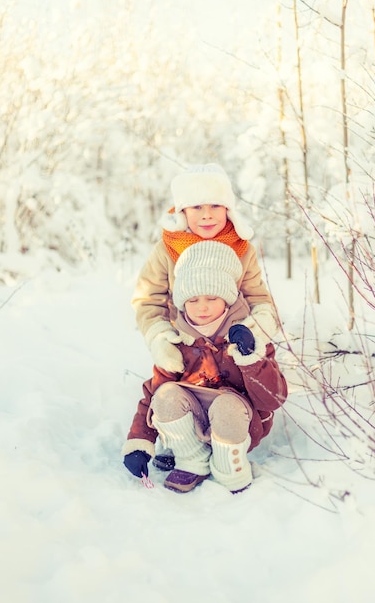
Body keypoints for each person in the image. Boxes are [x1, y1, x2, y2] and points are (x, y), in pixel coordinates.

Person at [131, 163, 280, 469]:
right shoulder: (167, 249)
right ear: (182, 211)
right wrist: (161, 338)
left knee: (230, 398)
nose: (207, 214)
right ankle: (182, 441)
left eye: (215, 205)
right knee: (168, 390)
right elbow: (148, 299)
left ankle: (229, 441)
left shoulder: (242, 249)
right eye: (197, 206)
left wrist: (253, 334)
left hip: (230, 342)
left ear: (228, 208)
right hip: (186, 342)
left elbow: (258, 298)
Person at [122, 241, 288, 494]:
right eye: (193, 299)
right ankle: (192, 460)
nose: (202, 307)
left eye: (212, 298)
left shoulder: (248, 336)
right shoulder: (177, 341)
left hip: (239, 425)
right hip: (193, 420)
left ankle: (228, 467)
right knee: (165, 395)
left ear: (228, 300)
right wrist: (140, 442)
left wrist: (251, 358)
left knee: (226, 405)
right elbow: (152, 395)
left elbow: (272, 400)